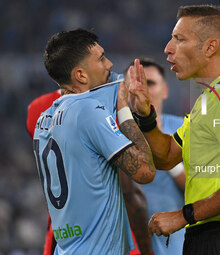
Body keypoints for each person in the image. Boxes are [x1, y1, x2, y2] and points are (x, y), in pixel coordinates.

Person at [127, 5, 220, 255]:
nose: (168, 48)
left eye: (179, 39)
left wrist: (182, 215)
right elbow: (167, 157)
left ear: (210, 47)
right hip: (209, 237)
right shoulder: (207, 101)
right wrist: (146, 116)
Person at [33, 28, 155, 254]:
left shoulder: (44, 119)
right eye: (101, 59)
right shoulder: (88, 111)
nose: (109, 64)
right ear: (80, 75)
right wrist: (124, 111)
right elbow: (145, 171)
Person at [125, 58, 186, 255]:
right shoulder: (111, 136)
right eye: (134, 83)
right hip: (127, 245)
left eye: (150, 83)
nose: (141, 90)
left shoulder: (185, 129)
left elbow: (208, 190)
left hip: (176, 244)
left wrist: (168, 159)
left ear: (165, 90)